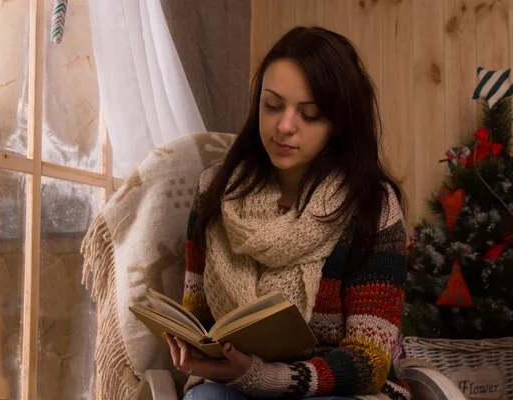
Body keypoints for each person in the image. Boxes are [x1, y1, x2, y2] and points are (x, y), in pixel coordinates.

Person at [163, 26, 411, 400]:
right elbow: (198, 314)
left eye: (309, 114)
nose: (284, 126)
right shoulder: (215, 190)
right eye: (272, 105)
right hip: (231, 386)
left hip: (335, 391)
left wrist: (267, 377)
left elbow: (369, 361)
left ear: (338, 124)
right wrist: (190, 346)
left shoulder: (373, 206)